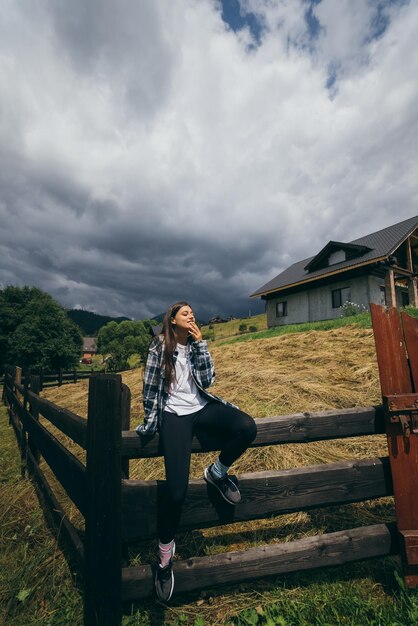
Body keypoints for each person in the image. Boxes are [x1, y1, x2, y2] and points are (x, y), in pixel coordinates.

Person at [136, 301, 257, 602]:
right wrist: (151, 422)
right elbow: (150, 389)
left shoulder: (195, 344)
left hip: (202, 409)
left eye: (191, 312)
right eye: (184, 313)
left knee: (247, 426)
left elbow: (207, 381)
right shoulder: (159, 347)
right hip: (174, 417)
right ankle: (164, 559)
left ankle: (217, 473)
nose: (190, 315)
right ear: (172, 321)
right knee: (176, 492)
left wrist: (201, 344)